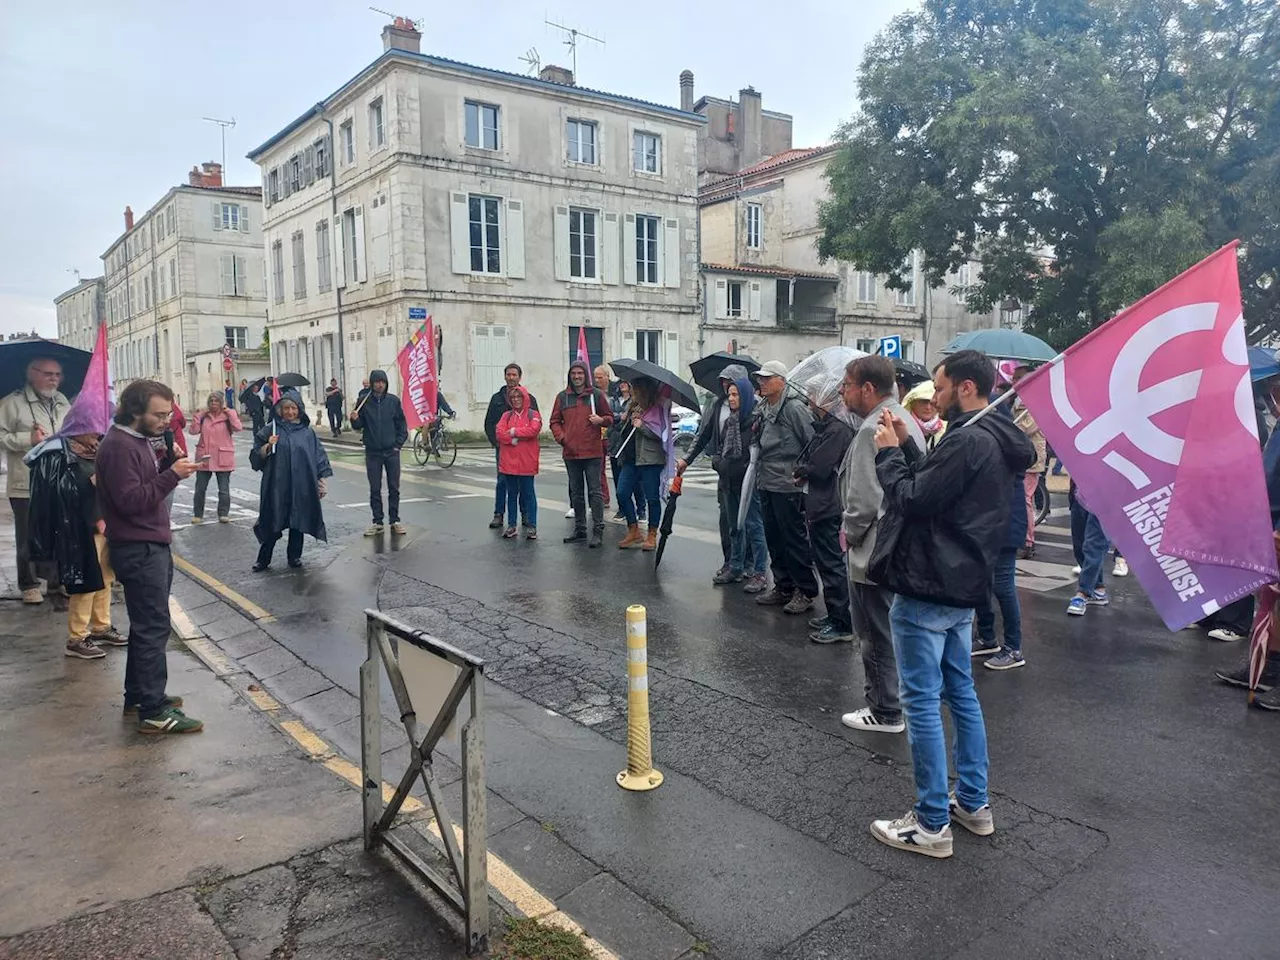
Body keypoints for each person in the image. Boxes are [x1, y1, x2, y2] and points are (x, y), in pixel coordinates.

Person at [869, 349, 1035, 858]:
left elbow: (914, 499)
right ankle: (973, 803)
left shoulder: (967, 438)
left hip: (929, 582)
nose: (934, 397)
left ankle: (931, 822)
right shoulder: (996, 440)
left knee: (921, 701)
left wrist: (887, 455)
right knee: (960, 692)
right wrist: (910, 450)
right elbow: (944, 491)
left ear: (966, 388)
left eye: (940, 388)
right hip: (963, 582)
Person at [96, 380, 202, 734]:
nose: (166, 420)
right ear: (134, 411)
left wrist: (164, 471)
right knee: (154, 627)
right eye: (159, 414)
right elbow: (130, 502)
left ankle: (139, 695)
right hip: (139, 548)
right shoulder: (119, 446)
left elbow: (140, 489)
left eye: (168, 413)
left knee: (145, 627)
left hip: (146, 544)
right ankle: (154, 711)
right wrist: (171, 476)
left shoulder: (134, 441)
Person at [838, 356, 923, 733]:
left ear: (868, 389)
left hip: (874, 549)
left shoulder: (871, 429)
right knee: (893, 628)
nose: (843, 391)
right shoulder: (905, 421)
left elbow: (863, 502)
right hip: (902, 546)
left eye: (847, 385)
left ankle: (885, 709)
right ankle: (896, 700)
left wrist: (850, 536)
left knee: (873, 632)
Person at [26, 424, 125, 660]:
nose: (96, 434)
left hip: (102, 524)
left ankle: (101, 627)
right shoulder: (57, 454)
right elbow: (56, 493)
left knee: (106, 578)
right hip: (79, 529)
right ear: (77, 428)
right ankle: (77, 637)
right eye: (91, 429)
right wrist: (89, 483)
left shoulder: (96, 450)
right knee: (85, 583)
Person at [0, 357, 70, 604]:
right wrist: (27, 439)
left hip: (60, 478)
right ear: (32, 374)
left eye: (58, 374)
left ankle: (56, 581)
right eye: (48, 374)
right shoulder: (12, 403)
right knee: (28, 535)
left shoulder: (63, 403)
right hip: (26, 482)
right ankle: (28, 583)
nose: (54, 379)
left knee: (59, 531)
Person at [751, 360, 818, 614]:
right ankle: (783, 585)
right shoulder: (764, 407)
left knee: (794, 539)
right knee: (774, 537)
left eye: (768, 378)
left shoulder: (793, 408)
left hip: (788, 483)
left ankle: (805, 589)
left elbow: (811, 442)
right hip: (766, 480)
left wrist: (803, 473)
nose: (762, 382)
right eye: (761, 379)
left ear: (782, 380)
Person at [795, 376, 856, 643]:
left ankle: (842, 623)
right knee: (825, 562)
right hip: (820, 502)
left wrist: (803, 470)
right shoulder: (827, 426)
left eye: (812, 394)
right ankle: (834, 615)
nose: (808, 399)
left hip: (828, 503)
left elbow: (820, 468)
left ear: (824, 398)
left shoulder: (837, 429)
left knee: (831, 564)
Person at [678, 364, 747, 581]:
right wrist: (687, 459)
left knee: (748, 520)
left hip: (745, 472)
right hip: (724, 470)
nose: (725, 385)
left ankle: (748, 564)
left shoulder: (752, 408)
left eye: (730, 381)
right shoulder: (717, 405)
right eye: (724, 381)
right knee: (726, 517)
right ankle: (730, 561)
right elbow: (704, 434)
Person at [250, 390, 332, 570]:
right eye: (286, 408)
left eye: (293, 408)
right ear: (279, 410)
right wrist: (267, 446)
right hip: (276, 485)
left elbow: (317, 456)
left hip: (300, 484)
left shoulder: (307, 433)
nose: (289, 412)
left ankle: (294, 556)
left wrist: (320, 481)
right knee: (273, 519)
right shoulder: (270, 429)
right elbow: (255, 457)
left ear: (299, 410)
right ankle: (263, 559)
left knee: (298, 520)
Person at [972, 431, 1029, 670]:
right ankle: (987, 638)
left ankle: (1014, 648)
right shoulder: (1010, 443)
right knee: (982, 581)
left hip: (1005, 525)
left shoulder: (1004, 448)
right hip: (993, 523)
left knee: (1003, 585)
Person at [712, 375, 767, 587]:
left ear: (745, 396)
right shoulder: (730, 422)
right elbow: (719, 448)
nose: (731, 399)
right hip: (728, 481)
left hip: (748, 484)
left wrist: (744, 467)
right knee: (734, 527)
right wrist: (718, 462)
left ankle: (759, 571)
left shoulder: (755, 422)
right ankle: (735, 567)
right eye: (729, 395)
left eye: (736, 395)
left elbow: (757, 453)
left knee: (754, 526)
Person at [550, 361, 613, 547]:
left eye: (580, 373)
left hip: (592, 452)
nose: (577, 377)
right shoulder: (562, 397)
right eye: (574, 373)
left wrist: (600, 420)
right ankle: (580, 529)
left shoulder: (596, 395)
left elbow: (610, 418)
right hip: (571, 452)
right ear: (570, 375)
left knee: (595, 492)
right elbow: (554, 421)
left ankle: (598, 530)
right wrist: (562, 438)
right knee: (576, 493)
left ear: (586, 375)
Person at [349, 369, 408, 537]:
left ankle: (395, 520)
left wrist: (398, 444)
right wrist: (354, 419)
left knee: (394, 487)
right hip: (373, 452)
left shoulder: (393, 401)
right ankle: (377, 521)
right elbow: (359, 425)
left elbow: (401, 424)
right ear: (372, 383)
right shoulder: (364, 401)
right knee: (375, 488)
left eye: (382, 381)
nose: (380, 384)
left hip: (391, 451)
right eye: (377, 381)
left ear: (386, 383)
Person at [616, 378, 671, 551]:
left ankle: (652, 534)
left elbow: (661, 434)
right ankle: (633, 529)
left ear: (645, 390)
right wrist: (625, 419)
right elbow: (624, 430)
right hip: (631, 459)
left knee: (652, 498)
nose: (633, 392)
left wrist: (642, 426)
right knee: (622, 493)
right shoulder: (633, 406)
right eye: (633, 388)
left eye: (636, 388)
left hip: (650, 459)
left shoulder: (658, 408)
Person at [485, 364, 539, 529]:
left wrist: (516, 433)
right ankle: (499, 514)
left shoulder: (530, 400)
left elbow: (534, 427)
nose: (511, 377)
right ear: (505, 377)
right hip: (504, 450)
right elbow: (490, 424)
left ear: (519, 377)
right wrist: (498, 443)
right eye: (508, 374)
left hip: (524, 452)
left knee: (524, 485)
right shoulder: (497, 399)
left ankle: (525, 515)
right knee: (503, 483)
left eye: (514, 374)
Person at [188, 392, 242, 524]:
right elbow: (193, 431)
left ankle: (223, 513)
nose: (213, 403)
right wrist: (198, 415)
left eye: (216, 401)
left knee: (224, 489)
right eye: (211, 401)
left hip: (222, 455)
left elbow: (238, 427)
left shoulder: (227, 416)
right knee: (200, 488)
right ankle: (198, 514)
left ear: (221, 403)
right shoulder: (204, 417)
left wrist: (230, 412)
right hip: (205, 456)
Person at [496, 385, 541, 540]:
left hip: (527, 460)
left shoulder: (532, 414)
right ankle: (512, 525)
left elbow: (534, 430)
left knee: (529, 494)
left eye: (518, 397)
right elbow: (499, 433)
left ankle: (532, 525)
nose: (516, 400)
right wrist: (513, 438)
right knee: (512, 494)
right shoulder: (506, 416)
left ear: (525, 398)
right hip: (509, 462)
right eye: (513, 397)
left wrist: (514, 432)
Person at [1011, 366, 1046, 559]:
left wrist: (1008, 427)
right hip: (1021, 455)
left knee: (1025, 499)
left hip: (1030, 458)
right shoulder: (1018, 399)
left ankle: (1028, 541)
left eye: (1018, 378)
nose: (1013, 381)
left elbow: (1027, 427)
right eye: (1013, 377)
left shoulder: (1036, 400)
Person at [1068, 480, 1110, 615]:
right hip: (1080, 492)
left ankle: (1083, 593)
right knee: (1079, 545)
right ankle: (1098, 588)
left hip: (1105, 496)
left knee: (1094, 546)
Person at [607, 380, 645, 525]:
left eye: (626, 383)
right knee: (620, 485)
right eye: (620, 382)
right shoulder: (615, 400)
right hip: (618, 445)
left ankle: (641, 510)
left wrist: (638, 423)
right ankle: (625, 513)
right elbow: (611, 417)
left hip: (635, 449)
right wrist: (621, 417)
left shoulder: (642, 405)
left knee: (637, 483)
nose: (622, 385)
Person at [901, 381, 946, 453]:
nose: (928, 407)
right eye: (923, 402)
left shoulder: (946, 429)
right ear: (912, 403)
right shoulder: (902, 426)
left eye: (932, 403)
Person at [593, 366, 614, 512]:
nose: (597, 380)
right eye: (595, 377)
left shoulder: (615, 391)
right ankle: (604, 498)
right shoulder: (593, 393)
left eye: (600, 377)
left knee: (618, 468)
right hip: (600, 434)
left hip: (613, 433)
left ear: (607, 376)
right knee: (599, 467)